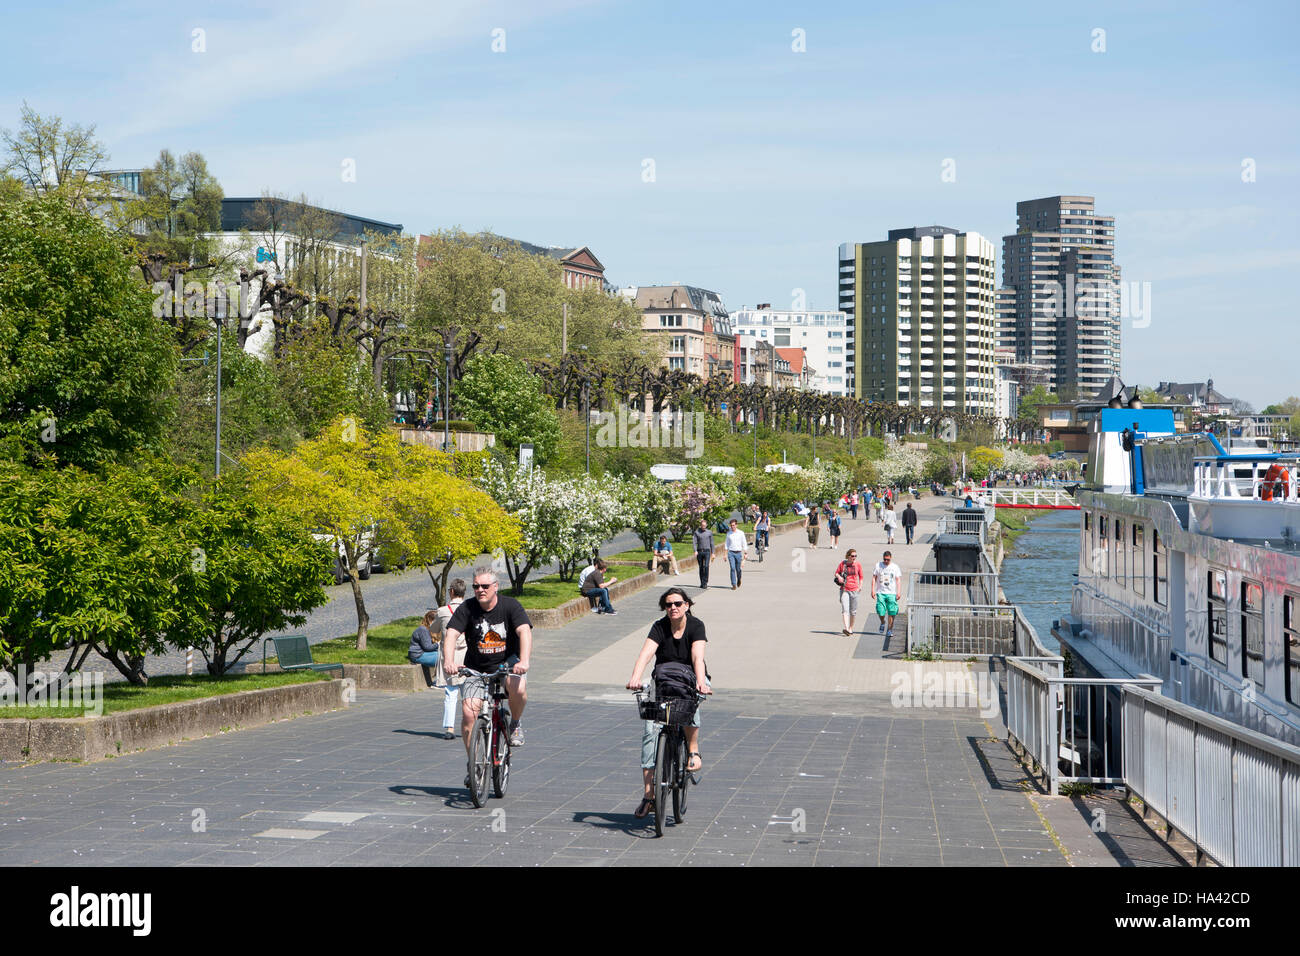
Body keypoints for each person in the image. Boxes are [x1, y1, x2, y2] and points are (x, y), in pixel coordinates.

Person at [625, 587, 711, 819]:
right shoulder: (659, 626)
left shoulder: (696, 626)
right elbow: (646, 654)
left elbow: (697, 657)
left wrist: (701, 683)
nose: (673, 608)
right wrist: (635, 677)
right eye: (668, 604)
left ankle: (693, 751)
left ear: (687, 605)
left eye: (678, 603)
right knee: (650, 732)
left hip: (691, 678)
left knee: (690, 704)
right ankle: (648, 796)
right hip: (662, 681)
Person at [444, 567, 532, 750]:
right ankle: (473, 765)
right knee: (469, 714)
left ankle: (515, 723)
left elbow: (524, 631)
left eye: (485, 586)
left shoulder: (511, 606)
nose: (480, 590)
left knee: (519, 687)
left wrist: (524, 661)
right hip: (476, 668)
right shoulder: (467, 608)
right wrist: (449, 661)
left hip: (507, 665)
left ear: (496, 586)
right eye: (476, 586)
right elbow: (451, 634)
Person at [433, 579, 468, 738]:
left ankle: (449, 727)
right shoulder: (470, 609)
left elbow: (433, 629)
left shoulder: (442, 611)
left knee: (451, 691)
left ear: (451, 592)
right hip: (467, 654)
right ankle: (470, 723)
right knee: (468, 692)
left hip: (450, 655)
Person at [871, 550, 903, 639]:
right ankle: (882, 622)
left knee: (891, 612)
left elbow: (898, 580)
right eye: (885, 559)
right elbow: (874, 578)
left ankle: (889, 629)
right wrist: (872, 590)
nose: (886, 561)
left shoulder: (895, 567)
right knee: (880, 611)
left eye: (888, 560)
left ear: (890, 558)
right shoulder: (878, 565)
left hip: (891, 593)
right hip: (881, 592)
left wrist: (899, 591)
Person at [834, 548, 865, 637]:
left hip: (855, 590)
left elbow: (861, 577)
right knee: (845, 609)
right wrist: (839, 577)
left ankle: (851, 628)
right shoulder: (843, 564)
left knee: (853, 611)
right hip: (844, 589)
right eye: (852, 556)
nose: (854, 557)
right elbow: (836, 573)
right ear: (848, 556)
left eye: (855, 556)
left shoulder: (858, 564)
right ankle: (847, 628)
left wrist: (860, 587)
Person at [725, 519, 747, 589]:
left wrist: (745, 553)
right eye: (731, 525)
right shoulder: (729, 534)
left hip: (738, 553)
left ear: (736, 525)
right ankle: (734, 584)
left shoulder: (741, 533)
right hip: (731, 553)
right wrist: (725, 554)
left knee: (738, 569)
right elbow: (726, 544)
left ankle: (739, 579)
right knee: (732, 568)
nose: (732, 527)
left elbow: (744, 543)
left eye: (734, 525)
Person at [692, 519, 714, 589]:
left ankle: (705, 582)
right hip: (700, 551)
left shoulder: (709, 532)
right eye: (702, 525)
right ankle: (702, 582)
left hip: (707, 551)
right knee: (701, 567)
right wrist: (695, 550)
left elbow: (712, 543)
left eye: (704, 525)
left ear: (706, 525)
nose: (703, 527)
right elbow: (694, 542)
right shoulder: (697, 532)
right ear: (700, 525)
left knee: (706, 566)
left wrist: (713, 553)